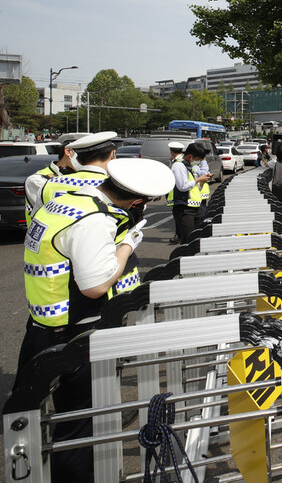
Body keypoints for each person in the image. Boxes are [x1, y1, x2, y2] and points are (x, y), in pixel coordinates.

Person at [17, 157, 175, 481]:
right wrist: (127, 245)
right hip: (72, 335)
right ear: (137, 201)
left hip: (42, 324)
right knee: (78, 426)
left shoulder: (65, 202)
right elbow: (95, 285)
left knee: (45, 414)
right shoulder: (94, 221)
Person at [24, 133, 85, 228]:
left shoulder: (85, 177)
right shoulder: (39, 180)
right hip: (48, 240)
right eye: (85, 155)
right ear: (68, 151)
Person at [170, 143, 214, 241]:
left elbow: (195, 187)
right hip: (184, 208)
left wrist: (202, 182)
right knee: (188, 240)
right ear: (190, 156)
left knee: (196, 239)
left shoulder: (188, 166)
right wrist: (199, 180)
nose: (197, 162)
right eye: (196, 159)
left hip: (194, 207)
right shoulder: (179, 166)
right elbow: (183, 186)